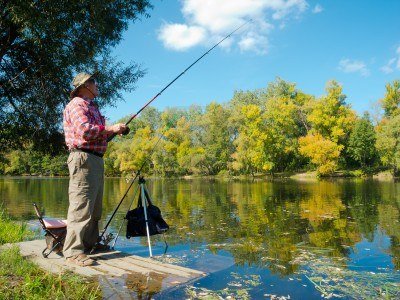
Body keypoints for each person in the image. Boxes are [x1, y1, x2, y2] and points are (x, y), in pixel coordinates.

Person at [62, 72, 127, 266]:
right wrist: (111, 129)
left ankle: (90, 244)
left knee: (95, 208)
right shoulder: (77, 105)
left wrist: (116, 131)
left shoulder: (91, 107)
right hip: (83, 158)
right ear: (84, 86)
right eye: (93, 81)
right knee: (81, 207)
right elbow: (85, 131)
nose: (96, 84)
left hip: (95, 159)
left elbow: (97, 135)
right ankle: (73, 252)